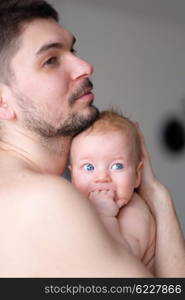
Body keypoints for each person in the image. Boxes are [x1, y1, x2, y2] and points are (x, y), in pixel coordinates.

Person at [0, 0, 184, 277]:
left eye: (72, 50)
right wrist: (159, 200)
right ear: (2, 102)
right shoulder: (43, 198)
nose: (85, 66)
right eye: (50, 60)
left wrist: (156, 195)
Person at [69, 110, 156, 272]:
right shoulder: (81, 208)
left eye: (117, 166)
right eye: (89, 167)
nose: (102, 177)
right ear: (72, 177)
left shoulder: (134, 212)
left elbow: (120, 265)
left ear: (137, 176)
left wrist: (105, 216)